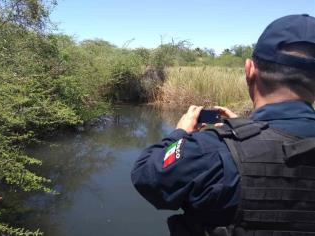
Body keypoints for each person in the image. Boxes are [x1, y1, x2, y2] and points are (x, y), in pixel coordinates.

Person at [131, 14, 315, 236]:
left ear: (249, 70)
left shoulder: (209, 152)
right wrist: (250, 128)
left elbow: (147, 175)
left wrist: (179, 134)